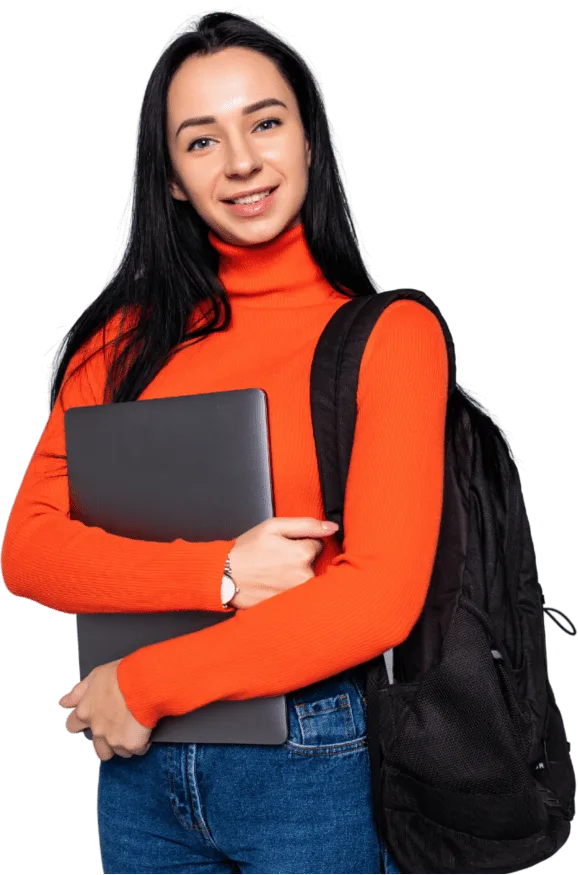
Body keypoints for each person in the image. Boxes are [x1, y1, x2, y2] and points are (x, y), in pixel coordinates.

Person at [1, 9, 449, 874]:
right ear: (169, 176)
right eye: (201, 141)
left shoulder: (387, 335)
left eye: (265, 122)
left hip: (308, 756)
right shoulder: (120, 340)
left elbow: (379, 599)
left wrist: (144, 681)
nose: (241, 161)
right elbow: (28, 548)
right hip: (137, 769)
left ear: (311, 139)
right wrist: (223, 573)